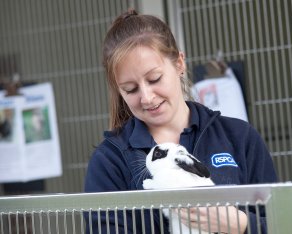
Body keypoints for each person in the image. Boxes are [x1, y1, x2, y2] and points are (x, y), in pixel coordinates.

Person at [84, 9, 278, 234]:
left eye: (154, 79)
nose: (147, 97)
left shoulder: (240, 138)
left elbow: (283, 223)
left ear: (179, 64)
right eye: (131, 89)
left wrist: (240, 224)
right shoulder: (110, 161)